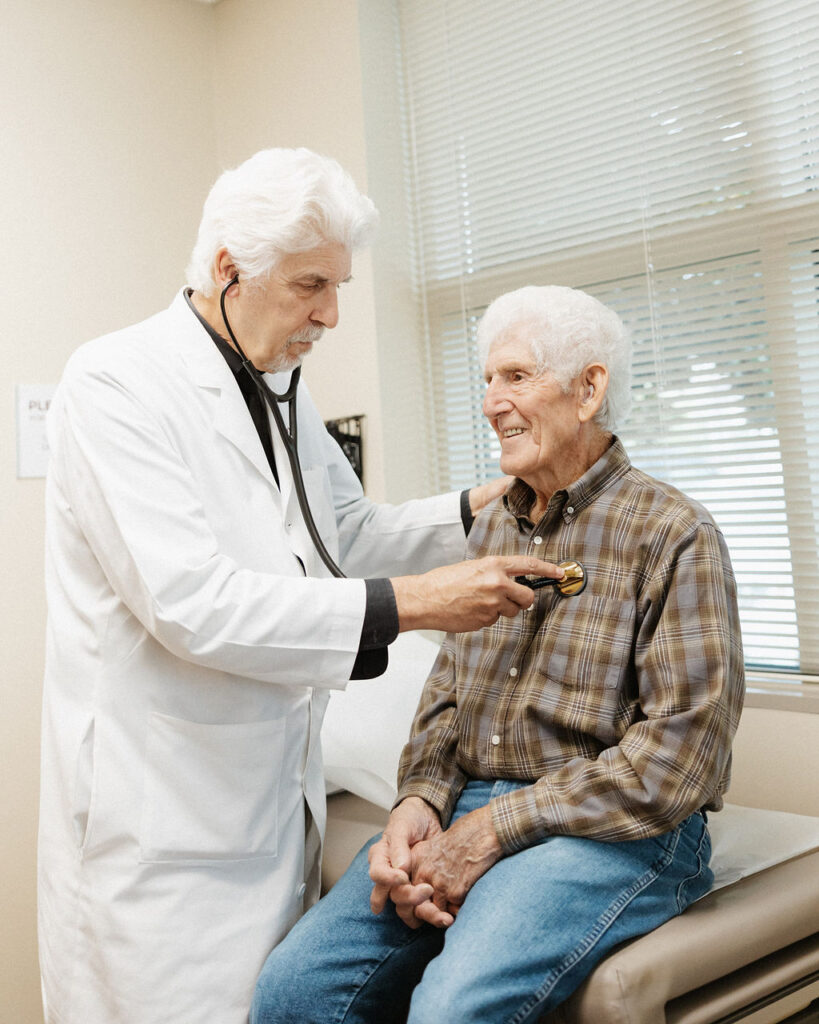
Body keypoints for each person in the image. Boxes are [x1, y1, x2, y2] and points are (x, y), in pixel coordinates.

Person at [37, 150, 564, 1024]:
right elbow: (191, 604)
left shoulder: (277, 384)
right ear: (226, 270)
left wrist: (491, 503)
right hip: (159, 828)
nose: (328, 314)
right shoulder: (114, 383)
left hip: (263, 804)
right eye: (310, 284)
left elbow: (343, 536)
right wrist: (417, 604)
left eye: (338, 286)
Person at [251, 284, 746, 1024]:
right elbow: (449, 696)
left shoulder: (671, 531)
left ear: (588, 389)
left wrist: (491, 830)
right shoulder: (494, 530)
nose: (490, 402)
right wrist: (419, 800)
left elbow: (680, 762)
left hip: (615, 831)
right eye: (485, 381)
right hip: (472, 808)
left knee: (449, 1011)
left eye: (514, 376)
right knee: (293, 992)